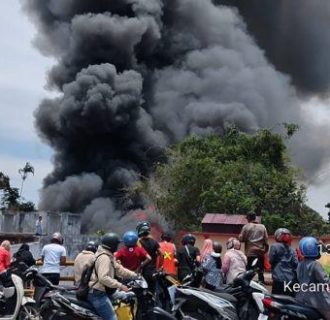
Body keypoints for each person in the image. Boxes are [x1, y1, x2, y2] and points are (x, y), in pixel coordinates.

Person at [87, 233, 137, 320]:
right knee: (112, 318)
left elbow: (119, 269)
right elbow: (103, 278)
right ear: (112, 245)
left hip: (105, 291)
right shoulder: (104, 258)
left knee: (123, 297)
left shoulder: (108, 256)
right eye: (116, 244)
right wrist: (120, 285)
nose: (117, 246)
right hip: (97, 294)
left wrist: (135, 275)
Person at [296, 237, 330, 320]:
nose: (319, 251)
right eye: (318, 248)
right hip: (317, 300)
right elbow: (325, 281)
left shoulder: (300, 264)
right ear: (312, 249)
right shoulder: (315, 264)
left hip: (301, 298)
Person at [239, 212, 268, 283]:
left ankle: (247, 286)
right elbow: (266, 241)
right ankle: (262, 285)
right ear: (255, 218)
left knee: (248, 272)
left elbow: (241, 239)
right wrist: (265, 251)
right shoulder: (262, 227)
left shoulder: (246, 227)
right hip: (260, 253)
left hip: (250, 253)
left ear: (248, 218)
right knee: (260, 272)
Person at [269, 228, 298, 295]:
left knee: (276, 301)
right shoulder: (292, 249)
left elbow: (271, 260)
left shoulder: (274, 246)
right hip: (291, 279)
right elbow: (295, 263)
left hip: (279, 279)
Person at [136, 221, 162, 293]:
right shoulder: (154, 241)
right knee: (154, 291)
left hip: (143, 271)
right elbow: (161, 253)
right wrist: (159, 266)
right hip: (153, 271)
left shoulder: (138, 242)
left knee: (143, 292)